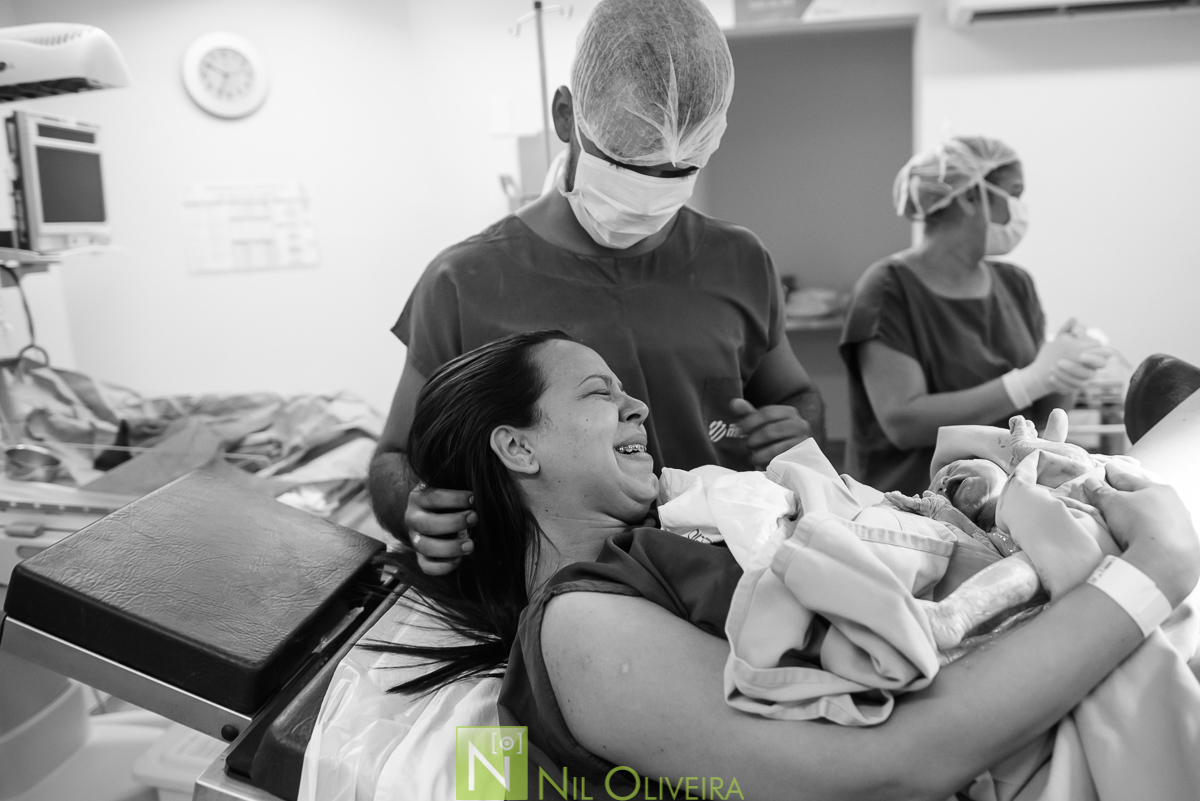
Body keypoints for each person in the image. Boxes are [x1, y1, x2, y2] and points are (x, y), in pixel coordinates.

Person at [379, 329, 1200, 800]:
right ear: (518, 446)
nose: (637, 405)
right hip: (1039, 727)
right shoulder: (579, 627)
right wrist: (1152, 569)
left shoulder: (681, 528)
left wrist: (970, 504)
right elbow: (890, 765)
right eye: (599, 393)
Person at [368, 0, 825, 575]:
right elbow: (393, 458)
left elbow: (795, 395)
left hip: (726, 576)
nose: (649, 195)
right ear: (566, 117)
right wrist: (412, 508)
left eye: (676, 173)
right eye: (627, 167)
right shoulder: (463, 282)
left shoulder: (738, 260)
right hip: (550, 589)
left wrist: (793, 425)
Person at [840, 136, 1110, 496]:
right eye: (1013, 193)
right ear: (969, 195)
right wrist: (1028, 380)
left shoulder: (1015, 284)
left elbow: (1042, 418)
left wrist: (1063, 373)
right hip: (910, 507)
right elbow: (904, 423)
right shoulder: (888, 288)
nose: (1019, 208)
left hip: (1006, 501)